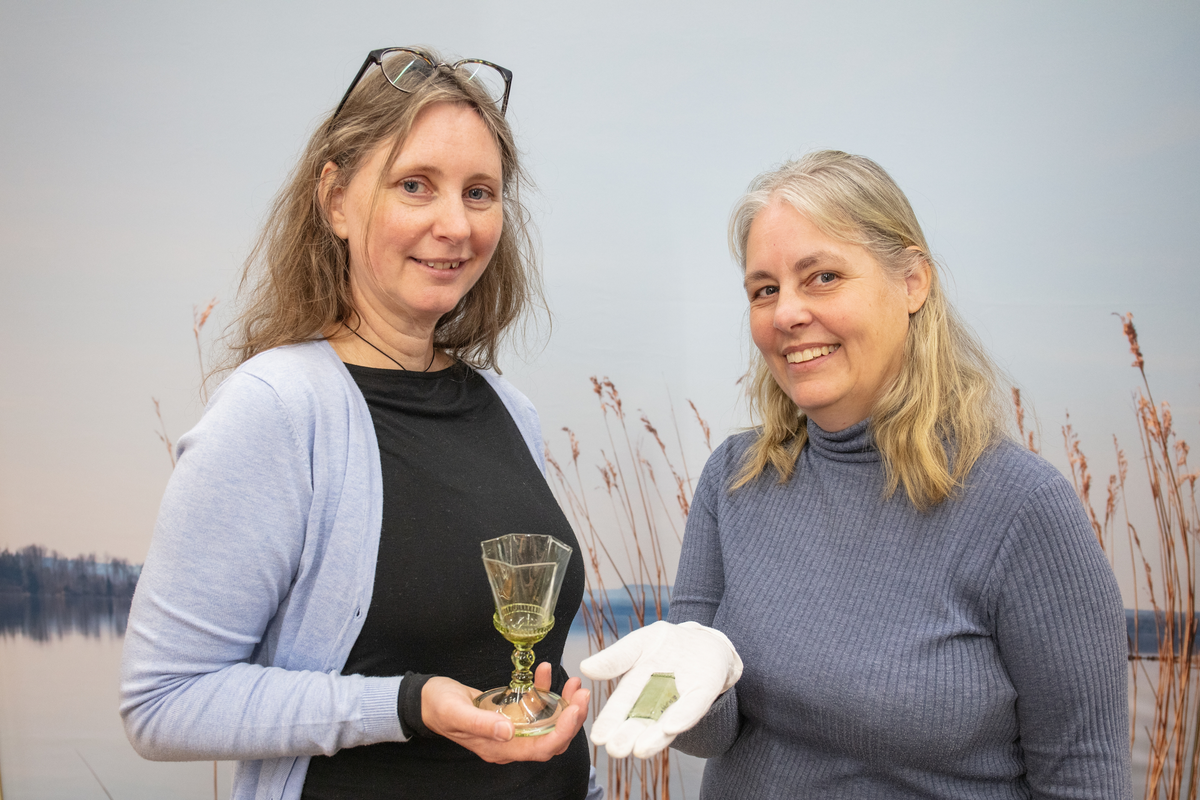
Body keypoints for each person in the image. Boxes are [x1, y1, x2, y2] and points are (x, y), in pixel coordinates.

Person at [120, 47, 601, 800]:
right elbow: (162, 703)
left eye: (479, 193)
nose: (455, 224)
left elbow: (533, 674)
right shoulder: (276, 409)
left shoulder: (509, 410)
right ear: (336, 200)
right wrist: (407, 706)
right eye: (415, 185)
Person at [581, 151, 1132, 798]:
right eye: (764, 290)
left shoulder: (1021, 508)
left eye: (822, 277)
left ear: (913, 283)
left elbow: (1083, 780)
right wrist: (695, 675)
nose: (786, 313)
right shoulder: (735, 479)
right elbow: (711, 736)